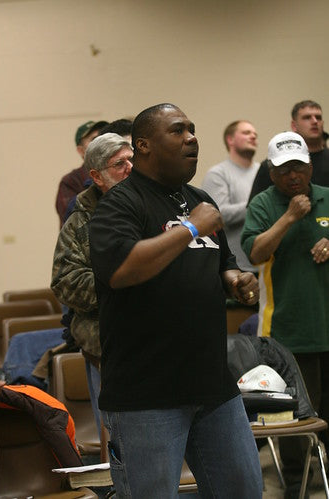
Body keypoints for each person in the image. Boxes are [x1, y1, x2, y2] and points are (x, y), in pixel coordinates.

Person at [89, 103, 262, 498]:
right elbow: (122, 271)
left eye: (193, 129)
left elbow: (222, 263)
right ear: (144, 146)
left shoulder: (199, 199)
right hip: (146, 396)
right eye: (178, 130)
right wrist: (190, 227)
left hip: (213, 387)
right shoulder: (120, 204)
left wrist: (236, 280)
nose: (191, 138)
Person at [241, 131, 329, 498]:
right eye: (284, 170)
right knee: (296, 415)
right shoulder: (264, 204)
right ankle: (296, 481)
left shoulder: (326, 196)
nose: (293, 176)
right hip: (289, 328)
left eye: (299, 167)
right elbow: (255, 252)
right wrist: (289, 217)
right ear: (272, 173)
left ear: (310, 167)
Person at [51, 133, 133, 436]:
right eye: (119, 164)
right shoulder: (81, 219)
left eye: (132, 160)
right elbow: (65, 281)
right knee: (120, 438)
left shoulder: (156, 206)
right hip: (108, 343)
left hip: (163, 341)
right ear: (97, 176)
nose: (130, 168)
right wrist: (122, 284)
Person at [202, 120, 259, 272]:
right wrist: (258, 205)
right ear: (230, 140)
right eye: (246, 133)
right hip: (236, 265)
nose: (253, 136)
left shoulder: (263, 172)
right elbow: (218, 215)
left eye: (255, 134)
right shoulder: (218, 174)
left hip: (266, 262)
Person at [249, 100, 329, 201]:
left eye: (318, 117)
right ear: (294, 125)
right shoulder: (274, 164)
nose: (314, 121)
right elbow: (256, 208)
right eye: (307, 117)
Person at [55, 120, 108, 227]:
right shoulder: (71, 181)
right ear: (81, 151)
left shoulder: (124, 170)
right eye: (94, 139)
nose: (101, 143)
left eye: (104, 137)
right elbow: (74, 220)